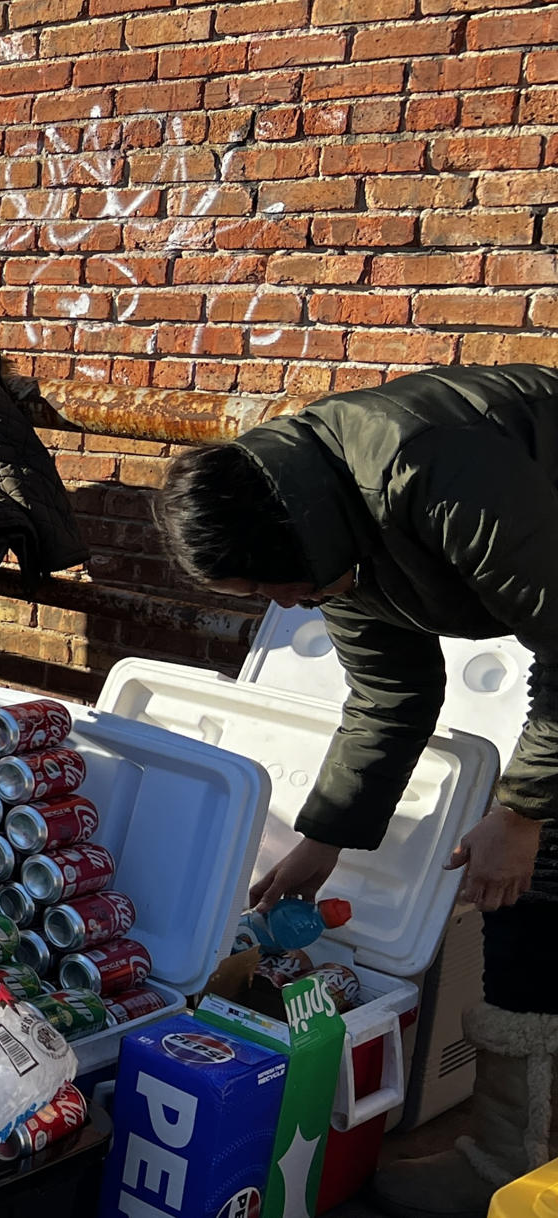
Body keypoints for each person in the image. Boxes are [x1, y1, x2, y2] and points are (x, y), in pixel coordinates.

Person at [157, 363, 558, 1218]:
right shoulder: (319, 520)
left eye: (275, 587)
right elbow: (391, 693)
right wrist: (327, 833)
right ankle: (510, 1155)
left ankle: (505, 1160)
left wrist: (521, 811)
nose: (286, 605)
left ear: (291, 539)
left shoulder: (431, 473)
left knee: (537, 878)